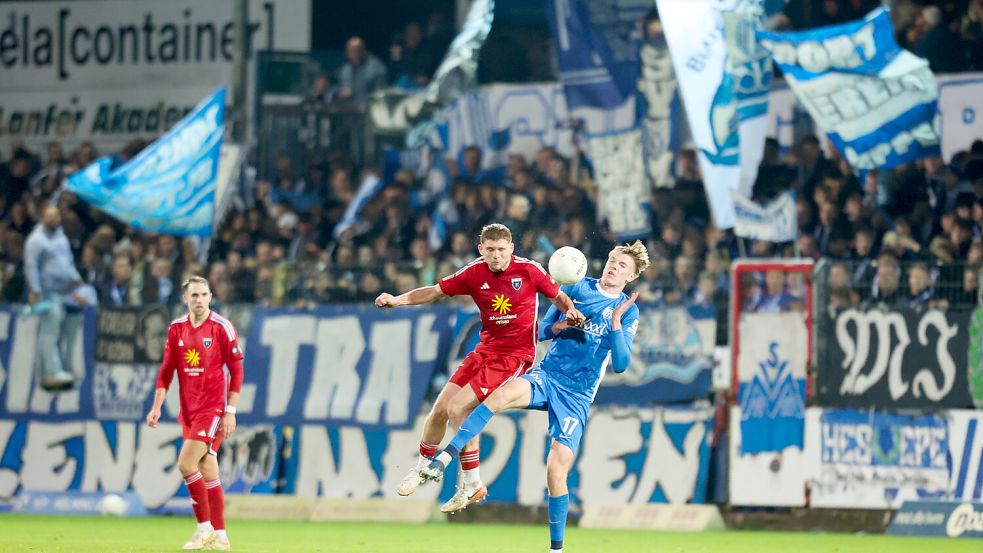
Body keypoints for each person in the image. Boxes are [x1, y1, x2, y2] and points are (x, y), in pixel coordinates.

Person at [420, 241, 650, 553]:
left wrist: (615, 324)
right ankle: (444, 459)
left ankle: (556, 550)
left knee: (556, 471)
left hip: (578, 395)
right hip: (548, 375)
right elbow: (541, 331)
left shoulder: (628, 309)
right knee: (497, 397)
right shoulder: (577, 287)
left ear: (632, 277)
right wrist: (564, 324)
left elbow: (621, 365)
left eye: (623, 266)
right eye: (612, 260)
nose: (613, 267)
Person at [374, 223, 584, 513]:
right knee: (440, 410)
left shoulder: (529, 270)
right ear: (481, 250)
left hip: (514, 355)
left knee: (460, 408)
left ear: (511, 249)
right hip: (484, 351)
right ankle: (423, 468)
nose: (496, 255)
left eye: (501, 250)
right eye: (490, 250)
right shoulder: (473, 272)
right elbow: (435, 291)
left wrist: (570, 308)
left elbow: (556, 295)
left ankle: (472, 483)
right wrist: (397, 300)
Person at [146, 276, 244, 551]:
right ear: (185, 298)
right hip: (188, 410)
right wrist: (156, 406)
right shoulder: (177, 328)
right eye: (194, 295)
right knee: (207, 467)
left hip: (213, 409)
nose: (199, 300)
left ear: (211, 297)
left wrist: (230, 411)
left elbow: (236, 370)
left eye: (203, 295)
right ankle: (221, 537)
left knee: (186, 463)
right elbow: (167, 371)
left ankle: (204, 529)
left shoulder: (222, 327)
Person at [23, 205, 94, 390]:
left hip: (65, 292)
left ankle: (60, 367)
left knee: (64, 332)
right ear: (42, 217)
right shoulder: (35, 240)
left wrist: (75, 279)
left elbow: (67, 262)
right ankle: (50, 369)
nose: (53, 219)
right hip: (48, 292)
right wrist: (35, 290)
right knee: (49, 330)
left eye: (56, 215)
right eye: (49, 216)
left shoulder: (61, 237)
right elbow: (31, 266)